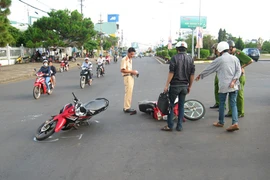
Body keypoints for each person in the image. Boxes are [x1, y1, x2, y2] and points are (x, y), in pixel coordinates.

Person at [195, 41, 242, 132]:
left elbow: (209, 68)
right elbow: (238, 71)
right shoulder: (235, 58)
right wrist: (234, 81)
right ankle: (235, 123)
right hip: (234, 85)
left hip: (224, 85)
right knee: (233, 104)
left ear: (220, 50)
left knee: (221, 103)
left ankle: (221, 122)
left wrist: (200, 75)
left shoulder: (219, 60)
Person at [161, 41, 195, 131]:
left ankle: (170, 125)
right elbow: (192, 74)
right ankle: (179, 126)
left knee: (171, 105)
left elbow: (171, 72)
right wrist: (190, 86)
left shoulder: (174, 58)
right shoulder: (190, 59)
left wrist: (166, 85)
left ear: (177, 49)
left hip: (175, 86)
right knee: (181, 106)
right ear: (186, 49)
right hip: (184, 86)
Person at [225, 40, 253, 118]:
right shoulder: (231, 54)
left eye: (227, 49)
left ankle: (240, 112)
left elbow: (250, 60)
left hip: (240, 77)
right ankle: (231, 112)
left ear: (231, 47)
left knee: (239, 95)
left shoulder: (238, 53)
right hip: (233, 77)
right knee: (231, 94)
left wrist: (241, 67)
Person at [120, 47, 138, 114]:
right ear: (128, 53)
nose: (132, 56)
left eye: (133, 54)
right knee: (128, 92)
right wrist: (132, 71)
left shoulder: (130, 59)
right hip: (127, 77)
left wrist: (133, 73)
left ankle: (128, 106)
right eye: (131, 54)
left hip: (130, 76)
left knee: (130, 92)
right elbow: (122, 70)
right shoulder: (125, 59)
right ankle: (126, 108)